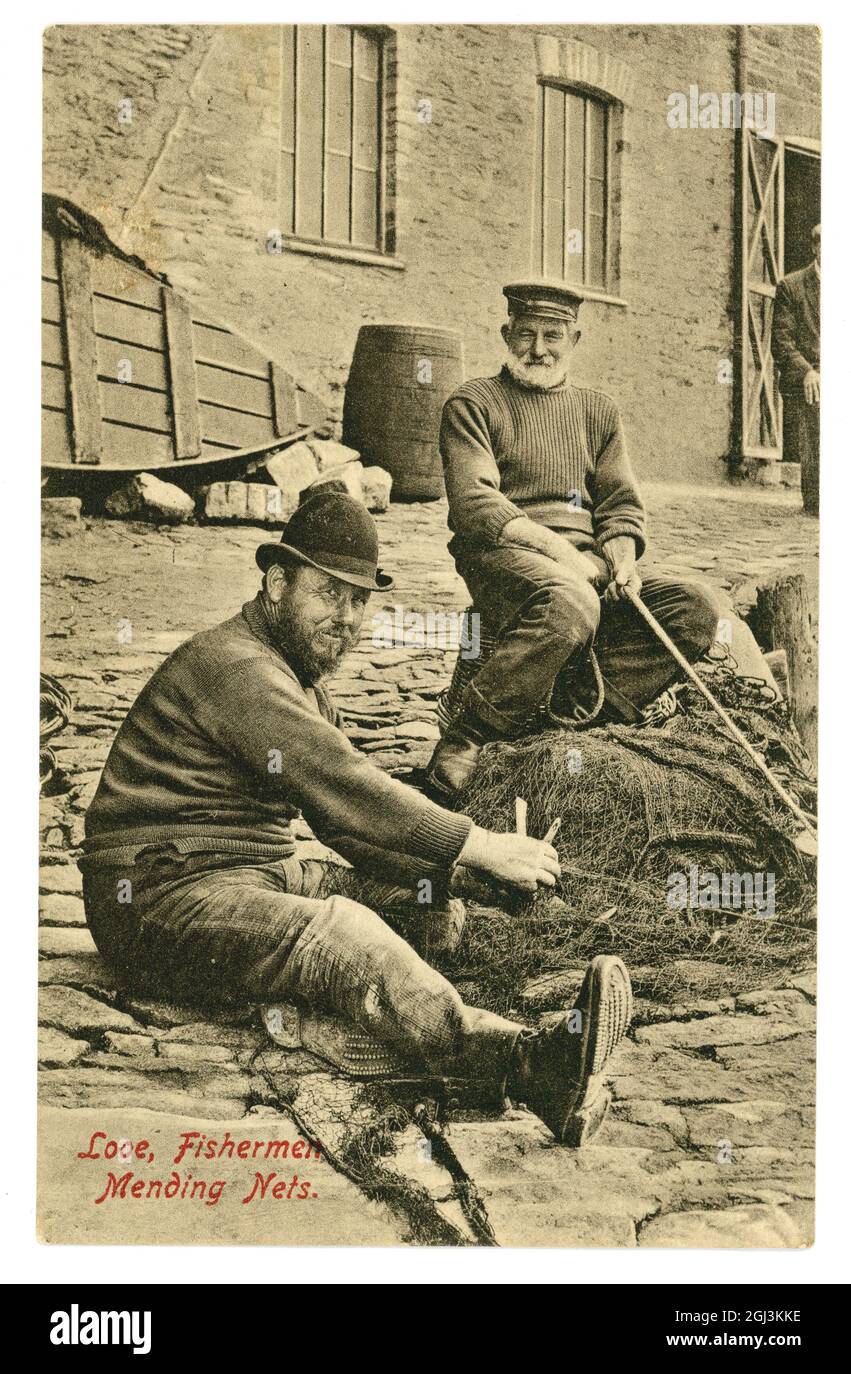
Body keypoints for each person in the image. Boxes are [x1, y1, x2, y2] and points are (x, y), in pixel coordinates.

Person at [80, 489, 632, 1146]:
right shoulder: (236, 668)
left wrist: (459, 878)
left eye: (358, 600)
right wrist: (478, 845)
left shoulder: (301, 681)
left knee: (421, 900)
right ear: (277, 582)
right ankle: (526, 1069)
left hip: (251, 873)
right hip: (152, 898)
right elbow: (349, 787)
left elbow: (344, 829)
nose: (346, 618)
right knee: (341, 933)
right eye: (328, 594)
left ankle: (379, 1009)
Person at [427, 278, 765, 799]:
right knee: (572, 601)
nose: (538, 349)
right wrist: (566, 555)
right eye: (526, 334)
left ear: (575, 340)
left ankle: (577, 722)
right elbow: (475, 504)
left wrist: (622, 558)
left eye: (553, 336)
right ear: (505, 332)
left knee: (695, 607)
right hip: (505, 555)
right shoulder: (472, 403)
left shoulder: (597, 411)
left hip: (588, 569)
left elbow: (619, 505)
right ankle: (471, 733)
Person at [772, 223, 820, 516]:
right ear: (816, 248)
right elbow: (781, 341)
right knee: (817, 404)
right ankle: (818, 499)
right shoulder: (792, 286)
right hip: (808, 376)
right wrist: (807, 371)